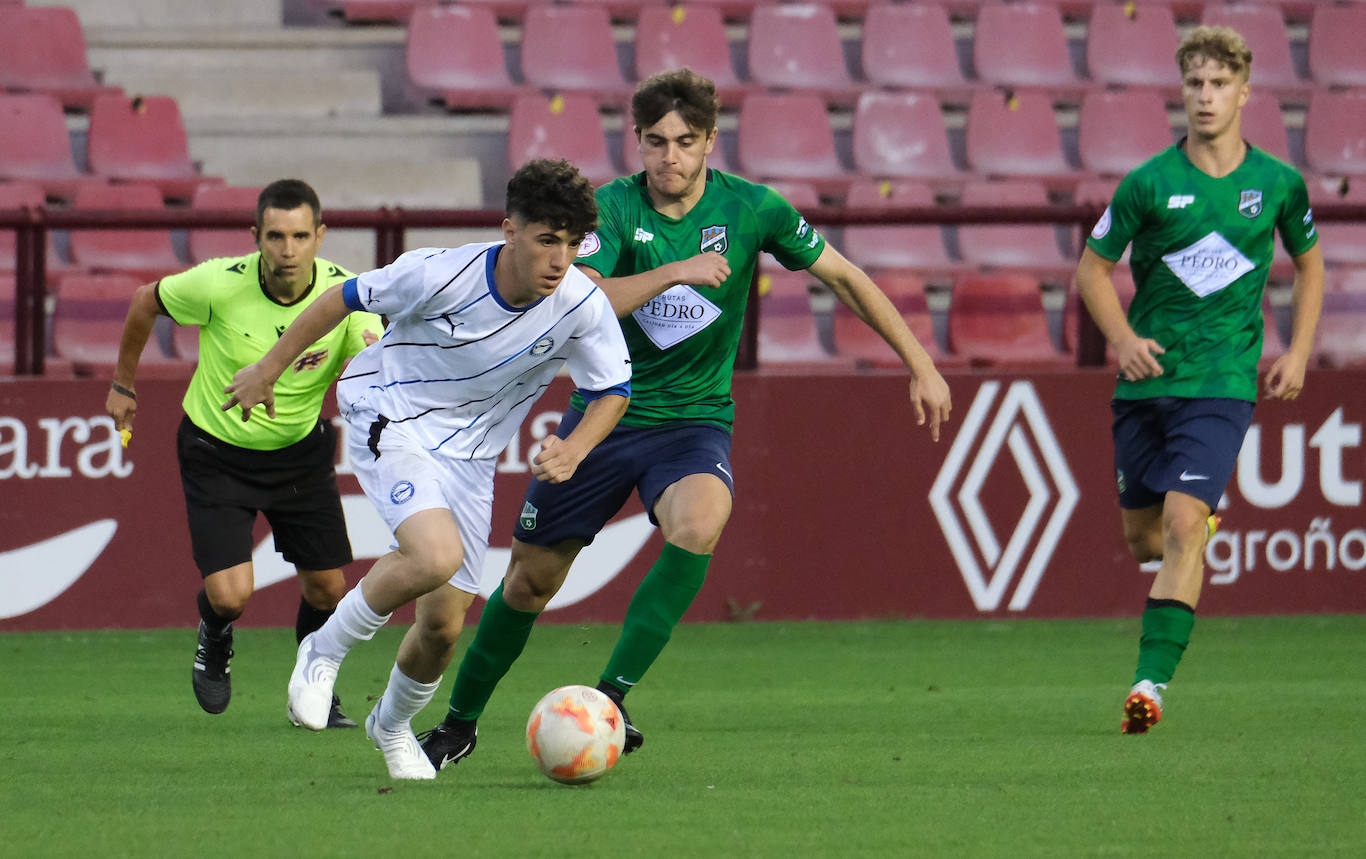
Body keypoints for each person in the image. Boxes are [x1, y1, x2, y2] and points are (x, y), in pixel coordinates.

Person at [419, 68, 953, 769]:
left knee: (700, 520)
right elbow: (587, 300)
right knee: (528, 583)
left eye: (684, 141)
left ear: (710, 141)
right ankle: (458, 723)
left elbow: (845, 277)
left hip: (694, 421)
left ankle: (611, 697)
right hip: (606, 413)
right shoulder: (609, 208)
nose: (669, 156)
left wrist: (920, 360)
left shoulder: (752, 208)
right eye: (655, 142)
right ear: (636, 142)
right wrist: (675, 272)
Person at [222, 158, 632, 780]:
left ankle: (389, 728)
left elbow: (614, 389)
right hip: (390, 412)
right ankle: (322, 650)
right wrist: (268, 369)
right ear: (510, 230)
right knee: (433, 556)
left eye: (572, 244)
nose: (560, 258)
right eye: (547, 240)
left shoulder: (581, 303)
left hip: (471, 458)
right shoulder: (441, 272)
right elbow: (340, 298)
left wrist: (576, 448)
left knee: (443, 624)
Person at [1075, 26, 1323, 734]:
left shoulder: (1276, 184)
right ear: (1180, 92)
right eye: (1195, 84)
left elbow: (1312, 264)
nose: (1206, 97)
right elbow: (1092, 268)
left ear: (1245, 92)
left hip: (1222, 381)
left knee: (1184, 524)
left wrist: (1298, 350)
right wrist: (1121, 338)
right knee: (1145, 539)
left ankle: (1149, 683)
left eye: (1219, 84)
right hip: (1147, 384)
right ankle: (1201, 519)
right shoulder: (1149, 183)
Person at [106, 179, 382, 726]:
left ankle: (313, 689)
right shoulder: (216, 283)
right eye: (275, 236)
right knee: (231, 596)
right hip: (216, 451)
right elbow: (144, 302)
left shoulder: (346, 295)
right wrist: (123, 385)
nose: (288, 249)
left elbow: (372, 354)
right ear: (255, 236)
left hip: (299, 455)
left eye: (301, 235)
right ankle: (215, 635)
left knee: (328, 589)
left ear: (320, 236)